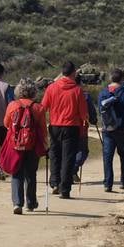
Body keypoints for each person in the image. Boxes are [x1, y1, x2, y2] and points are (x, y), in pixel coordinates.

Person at [40, 62, 86, 199]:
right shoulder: (77, 90)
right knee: (68, 157)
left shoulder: (51, 88)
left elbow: (43, 107)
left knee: (55, 155)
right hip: (71, 127)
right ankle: (65, 189)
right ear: (74, 73)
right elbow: (84, 114)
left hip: (55, 126)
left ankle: (55, 182)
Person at [3, 79, 48, 214]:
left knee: (16, 172)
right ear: (34, 92)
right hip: (32, 145)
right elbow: (43, 130)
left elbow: (6, 123)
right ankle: (30, 203)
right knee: (31, 173)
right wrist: (45, 145)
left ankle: (17, 203)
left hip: (15, 145)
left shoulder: (12, 105)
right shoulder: (39, 108)